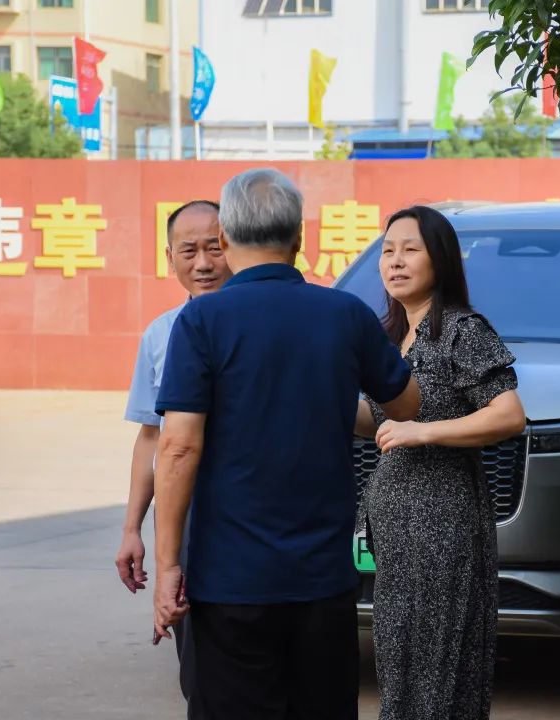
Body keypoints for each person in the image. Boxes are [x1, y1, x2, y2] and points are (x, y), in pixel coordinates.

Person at [151, 168, 421, 720]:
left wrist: (168, 563)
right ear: (299, 238)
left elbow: (178, 448)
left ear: (225, 237)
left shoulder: (202, 319)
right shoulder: (346, 314)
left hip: (229, 579)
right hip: (322, 578)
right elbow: (407, 405)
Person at [355, 206, 526, 720]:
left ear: (441, 259)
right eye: (387, 250)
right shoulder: (390, 336)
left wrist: (423, 430)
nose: (395, 261)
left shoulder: (460, 329)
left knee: (436, 662)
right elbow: (378, 422)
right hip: (397, 532)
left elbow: (508, 415)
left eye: (410, 249)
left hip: (443, 524)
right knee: (400, 658)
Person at [115, 200, 230, 716]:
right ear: (169, 258)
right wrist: (132, 529)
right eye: (189, 251)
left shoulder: (268, 324)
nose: (203, 263)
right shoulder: (161, 334)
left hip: (258, 512)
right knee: (200, 666)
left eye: (215, 248)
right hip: (187, 517)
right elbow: (152, 438)